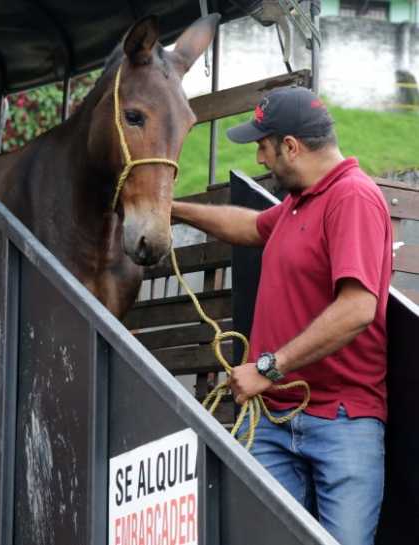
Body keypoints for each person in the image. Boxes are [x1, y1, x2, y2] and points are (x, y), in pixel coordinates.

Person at [172, 86, 392, 545]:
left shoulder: (352, 198)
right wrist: (171, 210)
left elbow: (357, 308)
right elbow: (250, 227)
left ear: (290, 146)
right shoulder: (298, 202)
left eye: (262, 145)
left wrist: (269, 369)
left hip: (341, 421)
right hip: (274, 419)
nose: (259, 159)